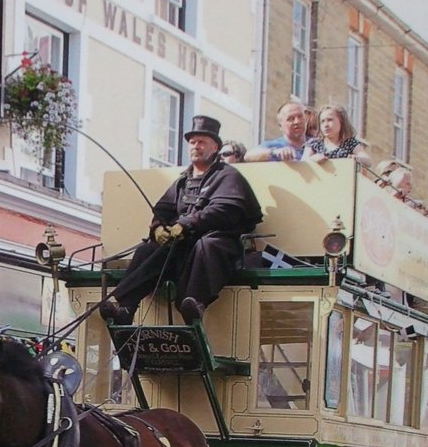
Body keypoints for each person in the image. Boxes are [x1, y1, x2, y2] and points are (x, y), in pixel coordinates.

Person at [100, 115, 263, 326]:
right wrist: (158, 228)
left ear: (215, 147)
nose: (196, 146)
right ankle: (126, 308)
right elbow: (163, 209)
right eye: (193, 142)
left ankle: (195, 303)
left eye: (202, 142)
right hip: (182, 246)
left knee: (208, 245)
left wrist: (187, 224)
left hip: (218, 245)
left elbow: (224, 209)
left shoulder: (228, 176)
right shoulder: (181, 182)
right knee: (147, 250)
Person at [305, 104, 371, 165]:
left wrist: (357, 158)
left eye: (330, 120)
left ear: (341, 121)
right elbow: (303, 162)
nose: (326, 125)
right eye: (322, 121)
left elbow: (368, 161)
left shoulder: (350, 143)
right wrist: (312, 159)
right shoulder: (314, 143)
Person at [243, 99, 309, 161]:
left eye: (300, 116)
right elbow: (248, 156)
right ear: (280, 126)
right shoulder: (274, 146)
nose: (297, 121)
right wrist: (274, 152)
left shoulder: (316, 145)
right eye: (291, 119)